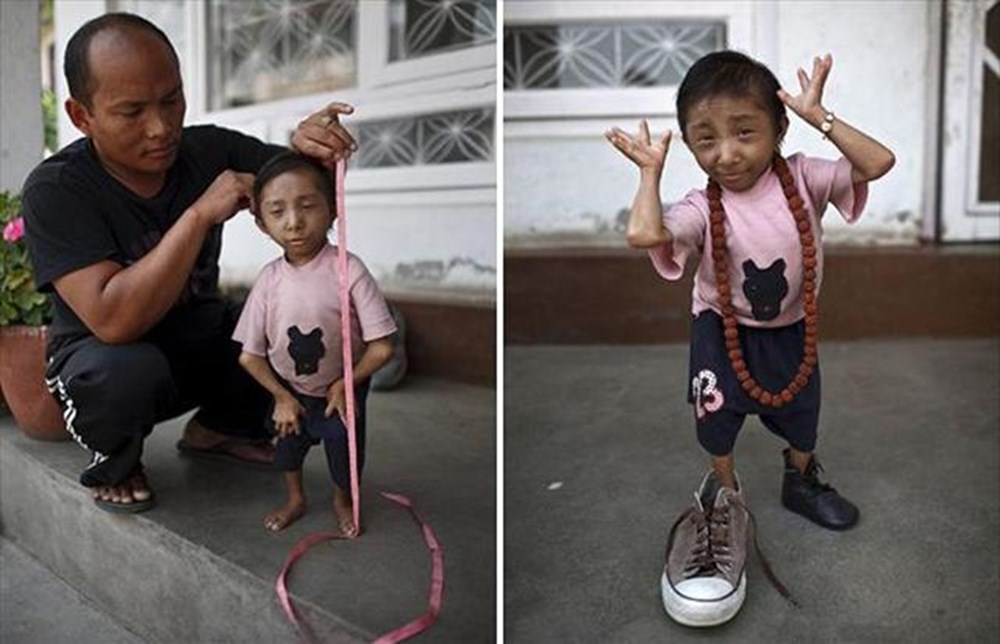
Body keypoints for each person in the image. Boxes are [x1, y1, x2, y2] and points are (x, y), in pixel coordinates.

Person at [21, 12, 357, 513]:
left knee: (291, 325)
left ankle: (218, 428)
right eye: (132, 111)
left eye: (171, 100)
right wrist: (199, 215)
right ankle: (116, 459)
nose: (160, 128)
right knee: (120, 374)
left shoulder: (210, 150)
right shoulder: (57, 189)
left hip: (198, 343)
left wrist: (314, 152)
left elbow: (308, 192)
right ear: (81, 116)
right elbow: (113, 321)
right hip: (105, 362)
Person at [606, 51, 894, 626]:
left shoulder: (807, 176)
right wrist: (649, 174)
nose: (727, 153)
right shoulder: (699, 206)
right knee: (716, 416)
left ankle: (802, 479)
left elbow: (880, 161)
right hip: (722, 326)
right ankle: (725, 495)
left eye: (744, 132)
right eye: (705, 139)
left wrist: (822, 118)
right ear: (688, 145)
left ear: (778, 129)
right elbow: (644, 233)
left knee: (802, 409)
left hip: (791, 326)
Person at [232, 152, 396, 535]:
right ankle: (295, 498)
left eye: (307, 206)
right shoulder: (268, 280)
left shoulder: (349, 269)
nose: (294, 222)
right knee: (287, 449)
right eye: (277, 211)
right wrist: (281, 397)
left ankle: (342, 499)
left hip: (342, 390)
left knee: (344, 450)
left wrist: (347, 382)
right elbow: (250, 356)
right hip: (291, 390)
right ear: (261, 223)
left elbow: (382, 346)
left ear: (333, 208)